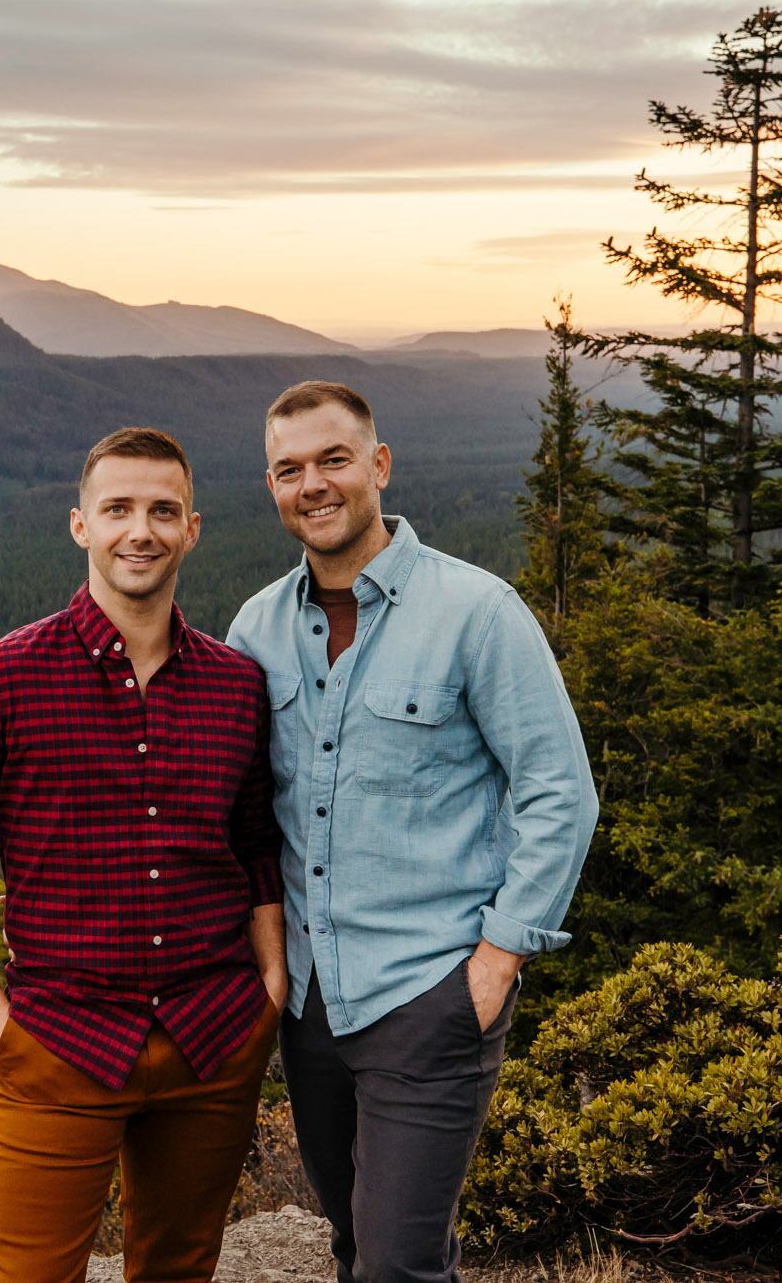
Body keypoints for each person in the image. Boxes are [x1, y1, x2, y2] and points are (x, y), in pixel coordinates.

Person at [0, 426, 288, 1283]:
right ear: (81, 525)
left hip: (213, 1036)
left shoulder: (236, 684)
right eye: (118, 508)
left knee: (179, 1270)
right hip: (59, 1041)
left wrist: (272, 979)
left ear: (192, 528)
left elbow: (257, 839)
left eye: (161, 510)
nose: (138, 529)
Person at [226, 381, 597, 1283]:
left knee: (396, 1265)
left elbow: (561, 793)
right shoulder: (255, 629)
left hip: (429, 995)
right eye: (289, 469)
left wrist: (496, 960)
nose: (313, 484)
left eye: (334, 460)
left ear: (379, 466)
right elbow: (242, 816)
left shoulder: (479, 612)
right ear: (272, 486)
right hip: (312, 1007)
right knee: (362, 1243)